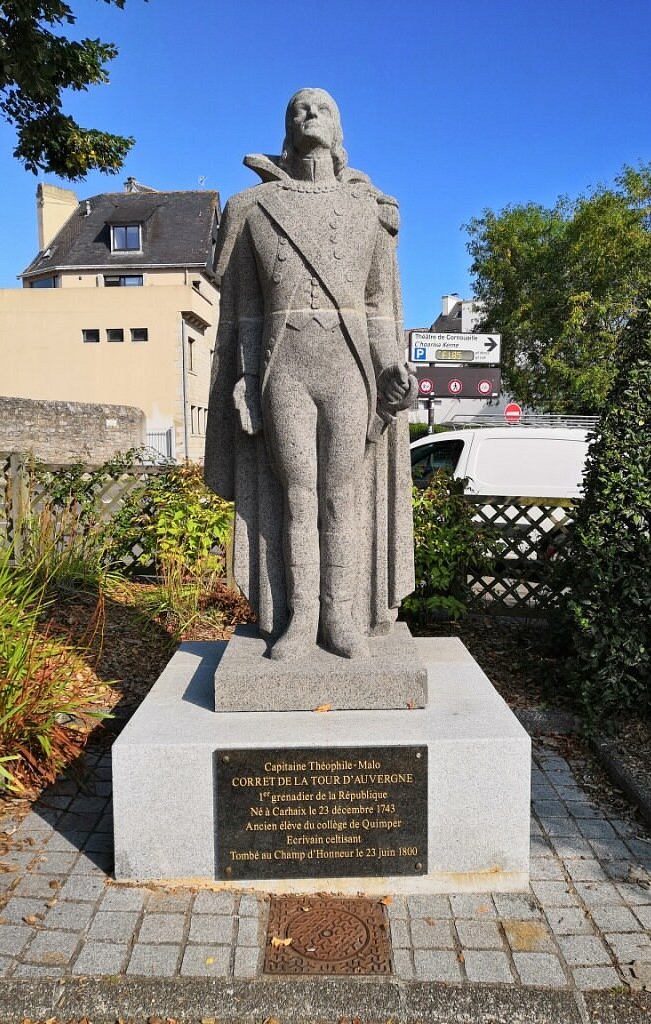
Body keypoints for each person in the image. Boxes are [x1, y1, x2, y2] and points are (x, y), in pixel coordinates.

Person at [204, 88, 416, 661]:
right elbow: (244, 309)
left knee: (340, 495)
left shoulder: (369, 210)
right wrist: (245, 377)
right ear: (286, 128)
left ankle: (341, 614)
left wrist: (392, 367)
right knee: (297, 495)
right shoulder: (254, 207)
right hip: (284, 370)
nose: (309, 114)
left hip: (349, 370)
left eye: (321, 108)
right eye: (298, 108)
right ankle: (300, 618)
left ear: (339, 128)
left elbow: (378, 307)